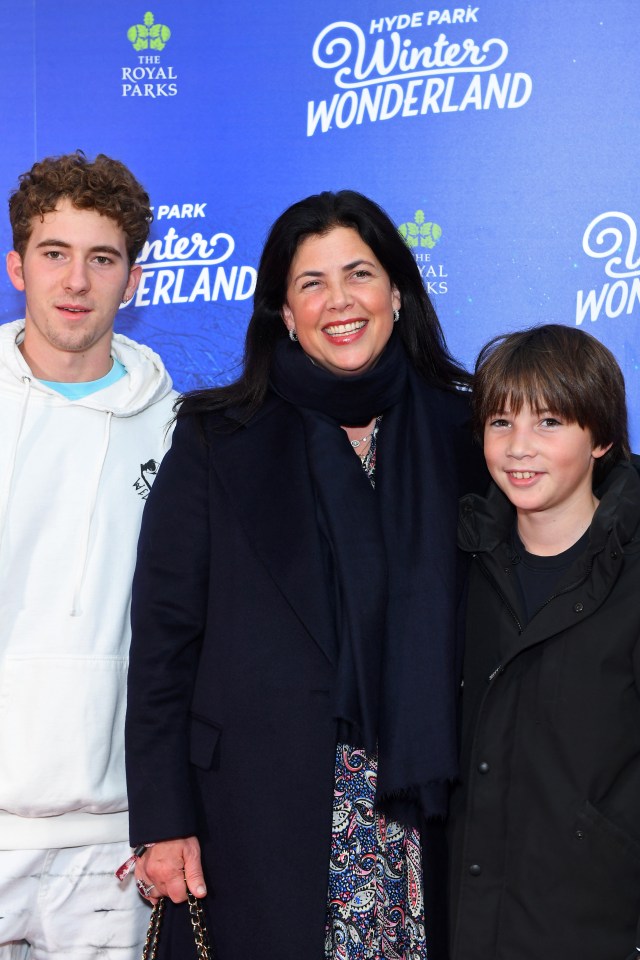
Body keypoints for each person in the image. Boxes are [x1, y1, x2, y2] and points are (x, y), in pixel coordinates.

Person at [125, 189, 486, 960]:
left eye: (359, 273)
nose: (339, 301)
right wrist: (162, 818)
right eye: (311, 283)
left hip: (429, 815)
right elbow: (162, 644)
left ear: (397, 290)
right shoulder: (216, 439)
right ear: (284, 313)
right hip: (253, 814)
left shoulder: (470, 436)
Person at [0, 151, 176, 959]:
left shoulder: (182, 431)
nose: (76, 281)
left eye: (101, 258)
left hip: (114, 836)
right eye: (54, 254)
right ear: (16, 267)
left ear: (132, 280)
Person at [449, 324, 640, 960]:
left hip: (597, 923)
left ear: (602, 438)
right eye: (501, 423)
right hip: (471, 918)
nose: (519, 448)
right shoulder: (462, 561)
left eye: (550, 421)